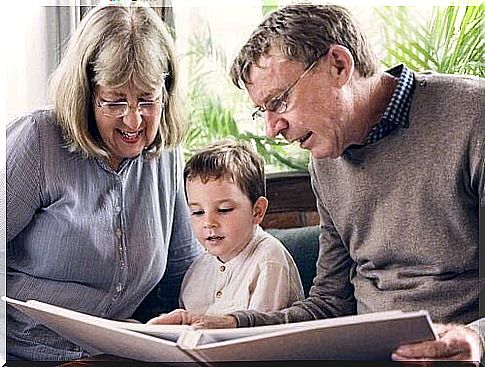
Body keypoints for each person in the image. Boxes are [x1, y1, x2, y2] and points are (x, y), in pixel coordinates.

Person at [151, 4, 484, 363]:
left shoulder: (472, 117)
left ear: (338, 65)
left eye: (279, 102)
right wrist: (225, 326)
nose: (271, 128)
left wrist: (476, 338)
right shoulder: (326, 160)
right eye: (262, 111)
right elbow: (329, 304)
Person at [5, 2, 201, 361]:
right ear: (86, 94)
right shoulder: (38, 141)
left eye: (147, 99)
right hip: (29, 353)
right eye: (113, 101)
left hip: (117, 353)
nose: (132, 120)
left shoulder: (164, 155)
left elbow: (182, 272)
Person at [148, 140, 304, 322]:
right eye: (197, 212)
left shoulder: (269, 260)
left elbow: (261, 338)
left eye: (223, 210)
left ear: (257, 211)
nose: (208, 223)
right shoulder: (198, 269)